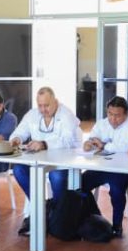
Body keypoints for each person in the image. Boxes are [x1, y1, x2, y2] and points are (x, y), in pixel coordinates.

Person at [10, 87, 82, 237]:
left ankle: (56, 213)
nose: (43, 109)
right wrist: (16, 139)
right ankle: (40, 205)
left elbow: (68, 140)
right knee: (18, 169)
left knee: (56, 177)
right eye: (40, 105)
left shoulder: (66, 114)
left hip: (62, 161)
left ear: (55, 102)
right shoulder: (32, 114)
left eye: (47, 105)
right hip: (38, 161)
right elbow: (19, 132)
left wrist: (44, 144)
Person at [80, 96, 128, 237]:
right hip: (103, 167)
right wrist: (89, 144)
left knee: (116, 189)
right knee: (80, 183)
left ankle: (116, 226)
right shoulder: (101, 124)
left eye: (117, 115)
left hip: (126, 170)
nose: (113, 119)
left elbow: (127, 148)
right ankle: (96, 217)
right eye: (110, 114)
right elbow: (93, 138)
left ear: (126, 114)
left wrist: (103, 145)